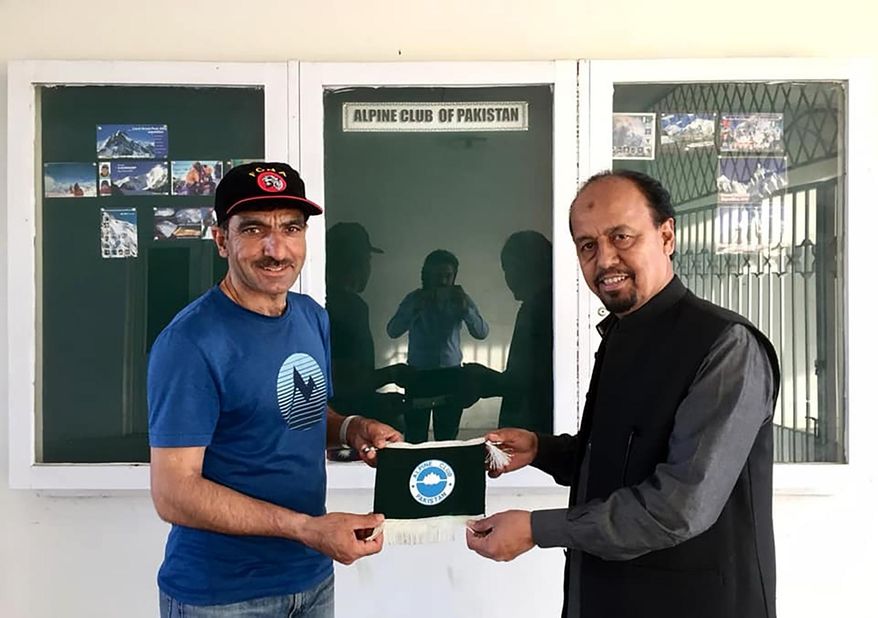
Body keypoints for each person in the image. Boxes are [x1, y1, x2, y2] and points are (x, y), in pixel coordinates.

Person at [466, 170, 780, 618]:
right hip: (606, 594)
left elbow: (678, 506)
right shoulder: (620, 335)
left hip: (695, 602)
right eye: (588, 245)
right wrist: (540, 450)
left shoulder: (725, 346)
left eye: (622, 237)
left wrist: (539, 528)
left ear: (667, 235)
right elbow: (619, 457)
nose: (604, 259)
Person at [147, 162, 401, 618]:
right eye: (254, 229)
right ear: (222, 239)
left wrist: (350, 428)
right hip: (222, 596)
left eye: (291, 227)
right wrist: (307, 529)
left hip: (311, 579)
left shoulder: (309, 317)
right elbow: (174, 492)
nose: (275, 248)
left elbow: (295, 413)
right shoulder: (191, 342)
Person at [387, 249, 489, 442]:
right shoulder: (414, 299)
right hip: (418, 376)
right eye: (437, 276)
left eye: (448, 276)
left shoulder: (461, 299)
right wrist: (414, 308)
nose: (443, 281)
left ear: (454, 277)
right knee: (415, 437)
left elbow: (482, 333)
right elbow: (392, 331)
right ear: (426, 276)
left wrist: (466, 309)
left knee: (448, 437)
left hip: (451, 375)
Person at [461, 231, 553, 434]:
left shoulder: (540, 310)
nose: (507, 277)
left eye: (509, 267)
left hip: (536, 434)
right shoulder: (542, 306)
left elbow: (533, 384)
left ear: (531, 265)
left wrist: (485, 379)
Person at [325, 222, 410, 437]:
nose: (369, 268)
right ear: (356, 262)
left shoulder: (316, 303)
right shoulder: (349, 307)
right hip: (346, 427)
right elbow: (341, 381)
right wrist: (389, 376)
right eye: (368, 260)